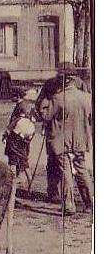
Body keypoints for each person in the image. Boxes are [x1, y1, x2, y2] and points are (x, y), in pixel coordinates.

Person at [37, 68, 93, 214]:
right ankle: (90, 203)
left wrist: (44, 103)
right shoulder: (86, 98)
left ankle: (69, 205)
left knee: (65, 171)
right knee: (82, 170)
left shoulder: (57, 98)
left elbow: (46, 116)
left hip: (61, 140)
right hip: (81, 140)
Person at [3, 88, 39, 190]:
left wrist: (7, 133)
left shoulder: (22, 107)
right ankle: (27, 181)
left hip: (16, 137)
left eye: (12, 96)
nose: (11, 98)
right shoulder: (25, 105)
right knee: (22, 159)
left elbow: (18, 121)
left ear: (17, 96)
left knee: (14, 159)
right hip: (22, 137)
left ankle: (13, 182)